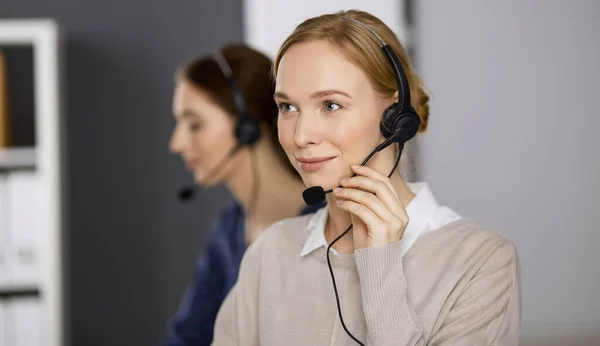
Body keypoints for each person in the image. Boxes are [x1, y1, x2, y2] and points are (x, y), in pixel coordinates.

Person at [211, 10, 520, 346]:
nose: (300, 136)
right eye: (287, 107)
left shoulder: (478, 261)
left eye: (330, 105)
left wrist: (380, 268)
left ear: (395, 116)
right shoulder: (271, 253)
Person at [164, 43, 324, 346]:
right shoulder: (230, 228)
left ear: (247, 127)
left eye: (194, 124)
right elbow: (187, 337)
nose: (176, 143)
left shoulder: (327, 224)